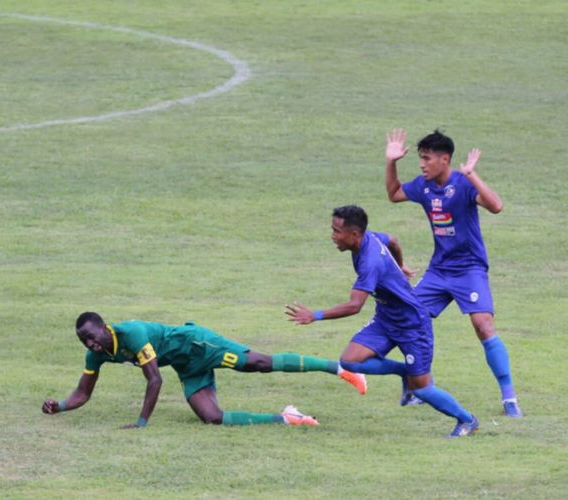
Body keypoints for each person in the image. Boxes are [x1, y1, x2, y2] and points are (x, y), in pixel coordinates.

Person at [285, 205, 478, 437]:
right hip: (386, 319)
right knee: (349, 362)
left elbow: (355, 306)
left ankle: (467, 420)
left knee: (424, 389)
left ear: (354, 235)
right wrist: (400, 265)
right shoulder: (371, 236)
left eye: (337, 231)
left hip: (412, 325)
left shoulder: (370, 263)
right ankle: (404, 371)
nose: (333, 236)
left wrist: (315, 315)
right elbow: (393, 240)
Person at [384, 128, 521, 418]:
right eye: (420, 158)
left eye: (426, 158)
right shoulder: (423, 186)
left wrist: (471, 174)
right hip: (438, 270)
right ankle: (414, 385)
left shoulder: (463, 184)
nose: (421, 164)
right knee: (408, 317)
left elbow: (496, 206)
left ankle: (509, 398)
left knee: (483, 326)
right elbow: (394, 194)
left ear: (444, 159)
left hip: (469, 269)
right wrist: (391, 162)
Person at [42, 312, 367, 428]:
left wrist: (142, 423)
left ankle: (340, 368)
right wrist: (61, 406)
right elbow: (83, 393)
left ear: (104, 327)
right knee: (212, 417)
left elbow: (154, 379)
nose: (90, 344)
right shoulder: (98, 355)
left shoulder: (131, 333)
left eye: (92, 336)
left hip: (196, 345)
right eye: (84, 341)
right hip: (186, 365)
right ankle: (288, 418)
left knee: (259, 364)